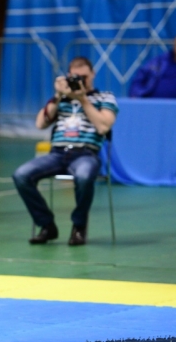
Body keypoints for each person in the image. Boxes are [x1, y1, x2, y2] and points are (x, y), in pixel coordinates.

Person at [12, 57, 118, 246]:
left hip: (86, 154)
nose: (80, 81)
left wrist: (83, 99)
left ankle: (79, 226)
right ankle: (47, 225)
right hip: (57, 153)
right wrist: (58, 95)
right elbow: (40, 123)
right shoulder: (62, 99)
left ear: (93, 74)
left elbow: (103, 126)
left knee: (84, 176)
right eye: (76, 77)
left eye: (84, 77)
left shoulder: (105, 97)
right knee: (21, 175)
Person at [129, 32, 176, 99]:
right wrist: (136, 96)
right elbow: (138, 80)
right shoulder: (158, 62)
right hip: (150, 105)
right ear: (174, 46)